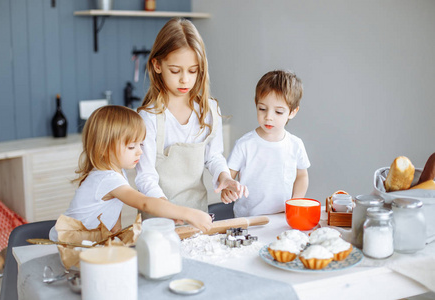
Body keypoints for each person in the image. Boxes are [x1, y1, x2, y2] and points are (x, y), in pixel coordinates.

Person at [49, 105, 212, 241]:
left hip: (87, 242)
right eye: (132, 147)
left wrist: (117, 240)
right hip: (67, 243)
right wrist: (189, 213)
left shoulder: (116, 172)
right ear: (105, 148)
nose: (140, 152)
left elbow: (112, 220)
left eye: (140, 145)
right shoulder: (107, 178)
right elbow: (145, 203)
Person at [135, 18, 248, 215]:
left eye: (193, 71)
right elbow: (145, 177)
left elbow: (213, 156)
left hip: (198, 214)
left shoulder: (209, 110)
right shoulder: (149, 118)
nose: (185, 79)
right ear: (157, 65)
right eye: (175, 70)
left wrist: (224, 177)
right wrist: (168, 210)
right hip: (159, 218)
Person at [221, 70, 310, 217]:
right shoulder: (244, 145)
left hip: (282, 217)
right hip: (249, 220)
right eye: (262, 109)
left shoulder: (295, 145)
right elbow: (227, 178)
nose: (268, 117)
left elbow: (302, 176)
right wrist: (227, 190)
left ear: (293, 112)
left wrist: (296, 201)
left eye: (279, 112)